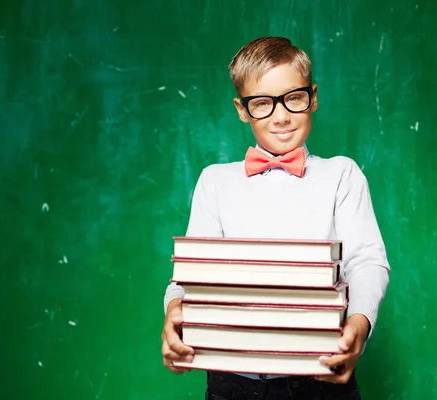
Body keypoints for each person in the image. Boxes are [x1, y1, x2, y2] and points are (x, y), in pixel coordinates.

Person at [161, 36, 390, 400]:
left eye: (293, 98)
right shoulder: (215, 181)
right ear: (242, 109)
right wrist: (174, 310)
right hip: (233, 384)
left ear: (312, 97)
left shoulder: (342, 175)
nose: (281, 116)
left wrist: (359, 325)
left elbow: (366, 261)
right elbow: (192, 275)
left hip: (321, 381)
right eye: (263, 104)